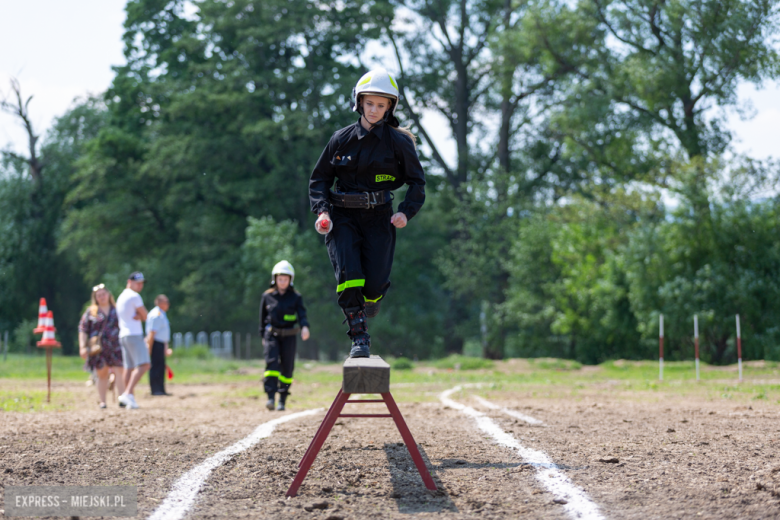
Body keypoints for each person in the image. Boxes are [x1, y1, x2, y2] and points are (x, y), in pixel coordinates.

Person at [309, 68, 425, 358]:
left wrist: (405, 213)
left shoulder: (399, 143)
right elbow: (320, 179)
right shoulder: (340, 139)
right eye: (369, 103)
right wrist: (322, 213)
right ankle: (359, 338)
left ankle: (372, 299)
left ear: (390, 107)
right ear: (359, 102)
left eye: (381, 105)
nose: (374, 110)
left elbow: (417, 184)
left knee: (373, 284)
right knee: (350, 274)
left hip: (380, 217)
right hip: (342, 216)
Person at [260, 261, 311, 411]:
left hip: (289, 336)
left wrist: (305, 327)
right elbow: (262, 319)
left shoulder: (296, 297)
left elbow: (302, 315)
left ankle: (282, 399)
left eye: (285, 279)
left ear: (290, 280)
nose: (282, 282)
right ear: (275, 279)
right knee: (272, 364)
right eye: (280, 279)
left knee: (287, 368)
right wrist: (262, 335)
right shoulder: (267, 296)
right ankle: (270, 397)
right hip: (271, 336)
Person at [78, 284, 125, 408]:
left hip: (116, 346)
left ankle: (122, 399)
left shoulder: (117, 309)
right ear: (95, 298)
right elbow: (83, 329)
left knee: (120, 371)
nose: (102, 297)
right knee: (102, 373)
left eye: (103, 294)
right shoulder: (91, 312)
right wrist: (82, 346)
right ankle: (103, 401)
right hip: (99, 348)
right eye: (99, 295)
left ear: (108, 295)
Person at [115, 271, 149, 409]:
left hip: (123, 334)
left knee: (128, 368)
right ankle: (128, 394)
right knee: (145, 364)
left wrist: (139, 316)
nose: (140, 286)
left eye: (141, 283)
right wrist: (140, 317)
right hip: (134, 334)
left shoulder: (121, 296)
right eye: (137, 283)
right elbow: (146, 315)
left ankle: (128, 397)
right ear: (130, 282)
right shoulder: (135, 297)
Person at [146, 294, 172, 396]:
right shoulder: (156, 314)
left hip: (160, 344)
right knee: (155, 367)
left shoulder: (162, 314)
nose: (168, 304)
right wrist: (150, 347)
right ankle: (155, 389)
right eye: (167, 302)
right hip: (155, 344)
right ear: (161, 303)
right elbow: (152, 333)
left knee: (161, 367)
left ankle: (161, 389)